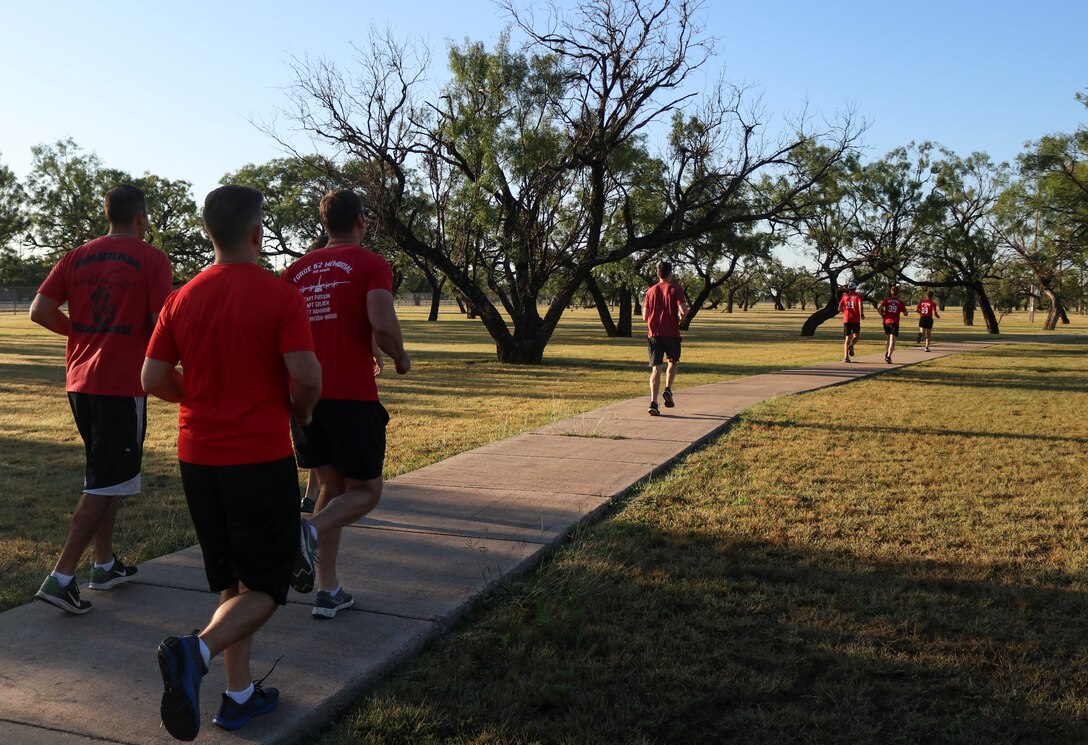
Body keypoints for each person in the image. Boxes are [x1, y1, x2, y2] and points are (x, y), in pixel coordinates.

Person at [142, 185, 322, 739]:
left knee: (233, 580)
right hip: (258, 458)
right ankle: (195, 652)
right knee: (268, 584)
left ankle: (239, 696)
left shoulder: (181, 298)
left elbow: (152, 377)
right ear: (257, 233)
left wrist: (198, 397)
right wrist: (300, 412)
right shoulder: (280, 296)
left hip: (198, 460)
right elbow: (307, 376)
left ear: (208, 233)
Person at [29, 184, 173, 615]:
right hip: (120, 384)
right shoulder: (152, 258)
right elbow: (160, 323)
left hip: (80, 382)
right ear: (141, 218)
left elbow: (39, 310)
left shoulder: (75, 256)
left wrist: (81, 333)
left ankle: (104, 564)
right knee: (103, 482)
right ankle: (61, 577)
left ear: (107, 215)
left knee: (108, 476)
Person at [283, 189, 410, 620]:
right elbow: (382, 322)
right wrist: (399, 356)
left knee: (331, 489)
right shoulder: (372, 263)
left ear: (325, 224)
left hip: (305, 397)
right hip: (351, 397)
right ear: (360, 220)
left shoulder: (295, 271)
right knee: (366, 492)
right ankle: (306, 532)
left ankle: (328, 590)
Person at [642, 261, 688, 416]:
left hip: (654, 335)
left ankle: (653, 403)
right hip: (672, 334)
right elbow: (684, 310)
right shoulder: (676, 289)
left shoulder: (650, 291)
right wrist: (680, 317)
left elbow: (645, 316)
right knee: (672, 362)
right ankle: (668, 389)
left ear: (657, 273)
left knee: (656, 369)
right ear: (671, 273)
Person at [877, 285, 909, 363]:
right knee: (892, 340)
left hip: (886, 322)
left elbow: (879, 308)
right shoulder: (900, 302)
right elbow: (906, 313)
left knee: (888, 338)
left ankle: (887, 352)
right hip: (894, 322)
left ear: (891, 292)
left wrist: (882, 315)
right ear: (898, 293)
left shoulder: (886, 300)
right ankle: (889, 356)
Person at [837, 281, 864, 363]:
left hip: (847, 319)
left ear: (848, 288)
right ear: (855, 288)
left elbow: (839, 308)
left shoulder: (844, 296)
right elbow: (860, 305)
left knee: (847, 339)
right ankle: (852, 345)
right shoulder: (858, 296)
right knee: (856, 336)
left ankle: (846, 357)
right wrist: (861, 314)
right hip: (855, 320)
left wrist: (845, 312)